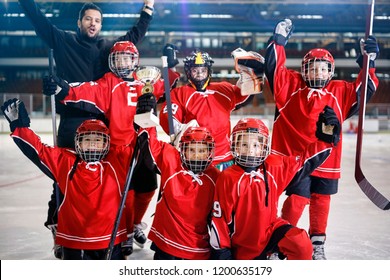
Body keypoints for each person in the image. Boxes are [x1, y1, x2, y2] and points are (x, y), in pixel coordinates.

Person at [18, 0, 154, 258]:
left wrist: (147, 10)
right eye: (89, 19)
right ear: (79, 22)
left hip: (101, 123)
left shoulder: (106, 48)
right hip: (72, 119)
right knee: (65, 174)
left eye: (98, 20)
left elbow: (133, 37)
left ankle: (104, 229)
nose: (93, 23)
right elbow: (39, 21)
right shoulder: (63, 40)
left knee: (103, 180)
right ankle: (58, 226)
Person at [43, 41, 180, 257]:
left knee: (147, 190)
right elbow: (86, 91)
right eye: (119, 59)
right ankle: (124, 232)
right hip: (119, 149)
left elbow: (167, 86)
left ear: (135, 61)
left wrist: (171, 66)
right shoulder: (108, 83)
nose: (123, 63)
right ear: (112, 62)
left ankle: (135, 224)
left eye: (127, 58)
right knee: (125, 194)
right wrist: (63, 89)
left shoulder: (145, 80)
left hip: (146, 145)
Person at [264, 19, 380, 259]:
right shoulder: (291, 86)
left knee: (321, 200)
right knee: (297, 199)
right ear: (304, 70)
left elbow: (365, 89)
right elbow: (274, 68)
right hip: (299, 159)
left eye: (323, 68)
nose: (318, 72)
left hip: (328, 158)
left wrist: (368, 62)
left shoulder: (341, 91)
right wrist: (279, 41)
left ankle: (318, 244)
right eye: (312, 67)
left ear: (331, 71)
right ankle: (281, 240)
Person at [1, 98, 136, 260]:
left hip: (111, 240)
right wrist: (19, 127)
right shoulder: (66, 161)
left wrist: (142, 118)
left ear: (106, 143)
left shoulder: (116, 161)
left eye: (98, 140)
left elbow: (137, 140)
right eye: (87, 140)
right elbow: (38, 150)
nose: (92, 144)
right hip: (74, 241)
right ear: (78, 142)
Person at [210, 115, 341, 260]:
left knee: (301, 244)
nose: (250, 150)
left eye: (255, 145)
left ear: (263, 147)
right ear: (235, 146)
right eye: (244, 145)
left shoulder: (274, 167)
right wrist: (222, 253)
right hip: (244, 244)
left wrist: (325, 141)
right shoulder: (227, 177)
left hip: (271, 231)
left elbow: (304, 160)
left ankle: (274, 254)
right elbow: (219, 220)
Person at [135, 93, 220, 259]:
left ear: (210, 152)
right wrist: (147, 116)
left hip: (198, 248)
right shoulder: (172, 160)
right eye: (191, 149)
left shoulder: (216, 176)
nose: (196, 155)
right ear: (182, 149)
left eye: (201, 150)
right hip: (166, 243)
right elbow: (150, 142)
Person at [159, 48, 265, 171]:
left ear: (209, 71)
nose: (199, 74)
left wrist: (252, 74)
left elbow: (246, 93)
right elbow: (168, 115)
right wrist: (178, 130)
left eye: (203, 70)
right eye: (195, 70)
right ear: (188, 72)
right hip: (197, 159)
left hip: (225, 159)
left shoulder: (223, 89)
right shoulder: (180, 93)